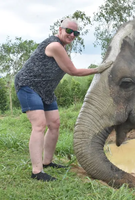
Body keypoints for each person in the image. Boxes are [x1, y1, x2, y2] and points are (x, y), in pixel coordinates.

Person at [14, 18, 112, 182]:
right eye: (69, 31)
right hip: (28, 85)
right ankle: (37, 171)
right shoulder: (55, 46)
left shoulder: (61, 47)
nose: (72, 35)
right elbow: (72, 71)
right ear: (60, 30)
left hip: (46, 90)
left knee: (55, 124)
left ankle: (47, 162)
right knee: (39, 125)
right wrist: (97, 69)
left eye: (76, 33)